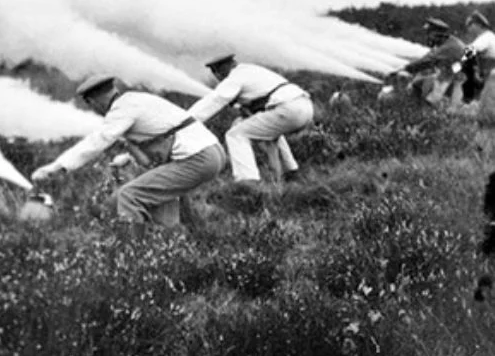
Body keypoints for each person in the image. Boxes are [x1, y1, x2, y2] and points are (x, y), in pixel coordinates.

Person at [31, 75, 225, 236]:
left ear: (95, 101)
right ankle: (187, 241)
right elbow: (159, 134)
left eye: (91, 104)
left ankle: (133, 258)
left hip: (197, 158)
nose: (95, 110)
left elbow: (98, 140)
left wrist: (57, 166)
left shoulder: (121, 110)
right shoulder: (135, 99)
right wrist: (129, 157)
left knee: (129, 196)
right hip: (211, 152)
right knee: (163, 203)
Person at [188, 54, 313, 183]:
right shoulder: (251, 70)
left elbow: (215, 100)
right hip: (304, 105)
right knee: (268, 130)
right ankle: (291, 170)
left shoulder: (235, 77)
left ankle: (247, 181)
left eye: (215, 71)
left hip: (288, 109)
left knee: (235, 134)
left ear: (221, 69)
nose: (217, 76)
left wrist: (185, 121)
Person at [397, 17, 465, 106]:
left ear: (437, 34)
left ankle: (432, 106)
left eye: (429, 33)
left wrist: (406, 68)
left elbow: (428, 61)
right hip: (450, 73)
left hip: (458, 78)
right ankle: (417, 105)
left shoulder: (448, 47)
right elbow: (428, 57)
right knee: (418, 83)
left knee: (432, 100)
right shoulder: (445, 42)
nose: (428, 36)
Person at [461, 12, 495, 103]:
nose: (468, 28)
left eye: (470, 25)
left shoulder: (486, 37)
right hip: (487, 70)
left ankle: (467, 100)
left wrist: (459, 62)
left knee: (464, 68)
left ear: (478, 25)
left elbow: (470, 50)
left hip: (489, 71)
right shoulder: (487, 36)